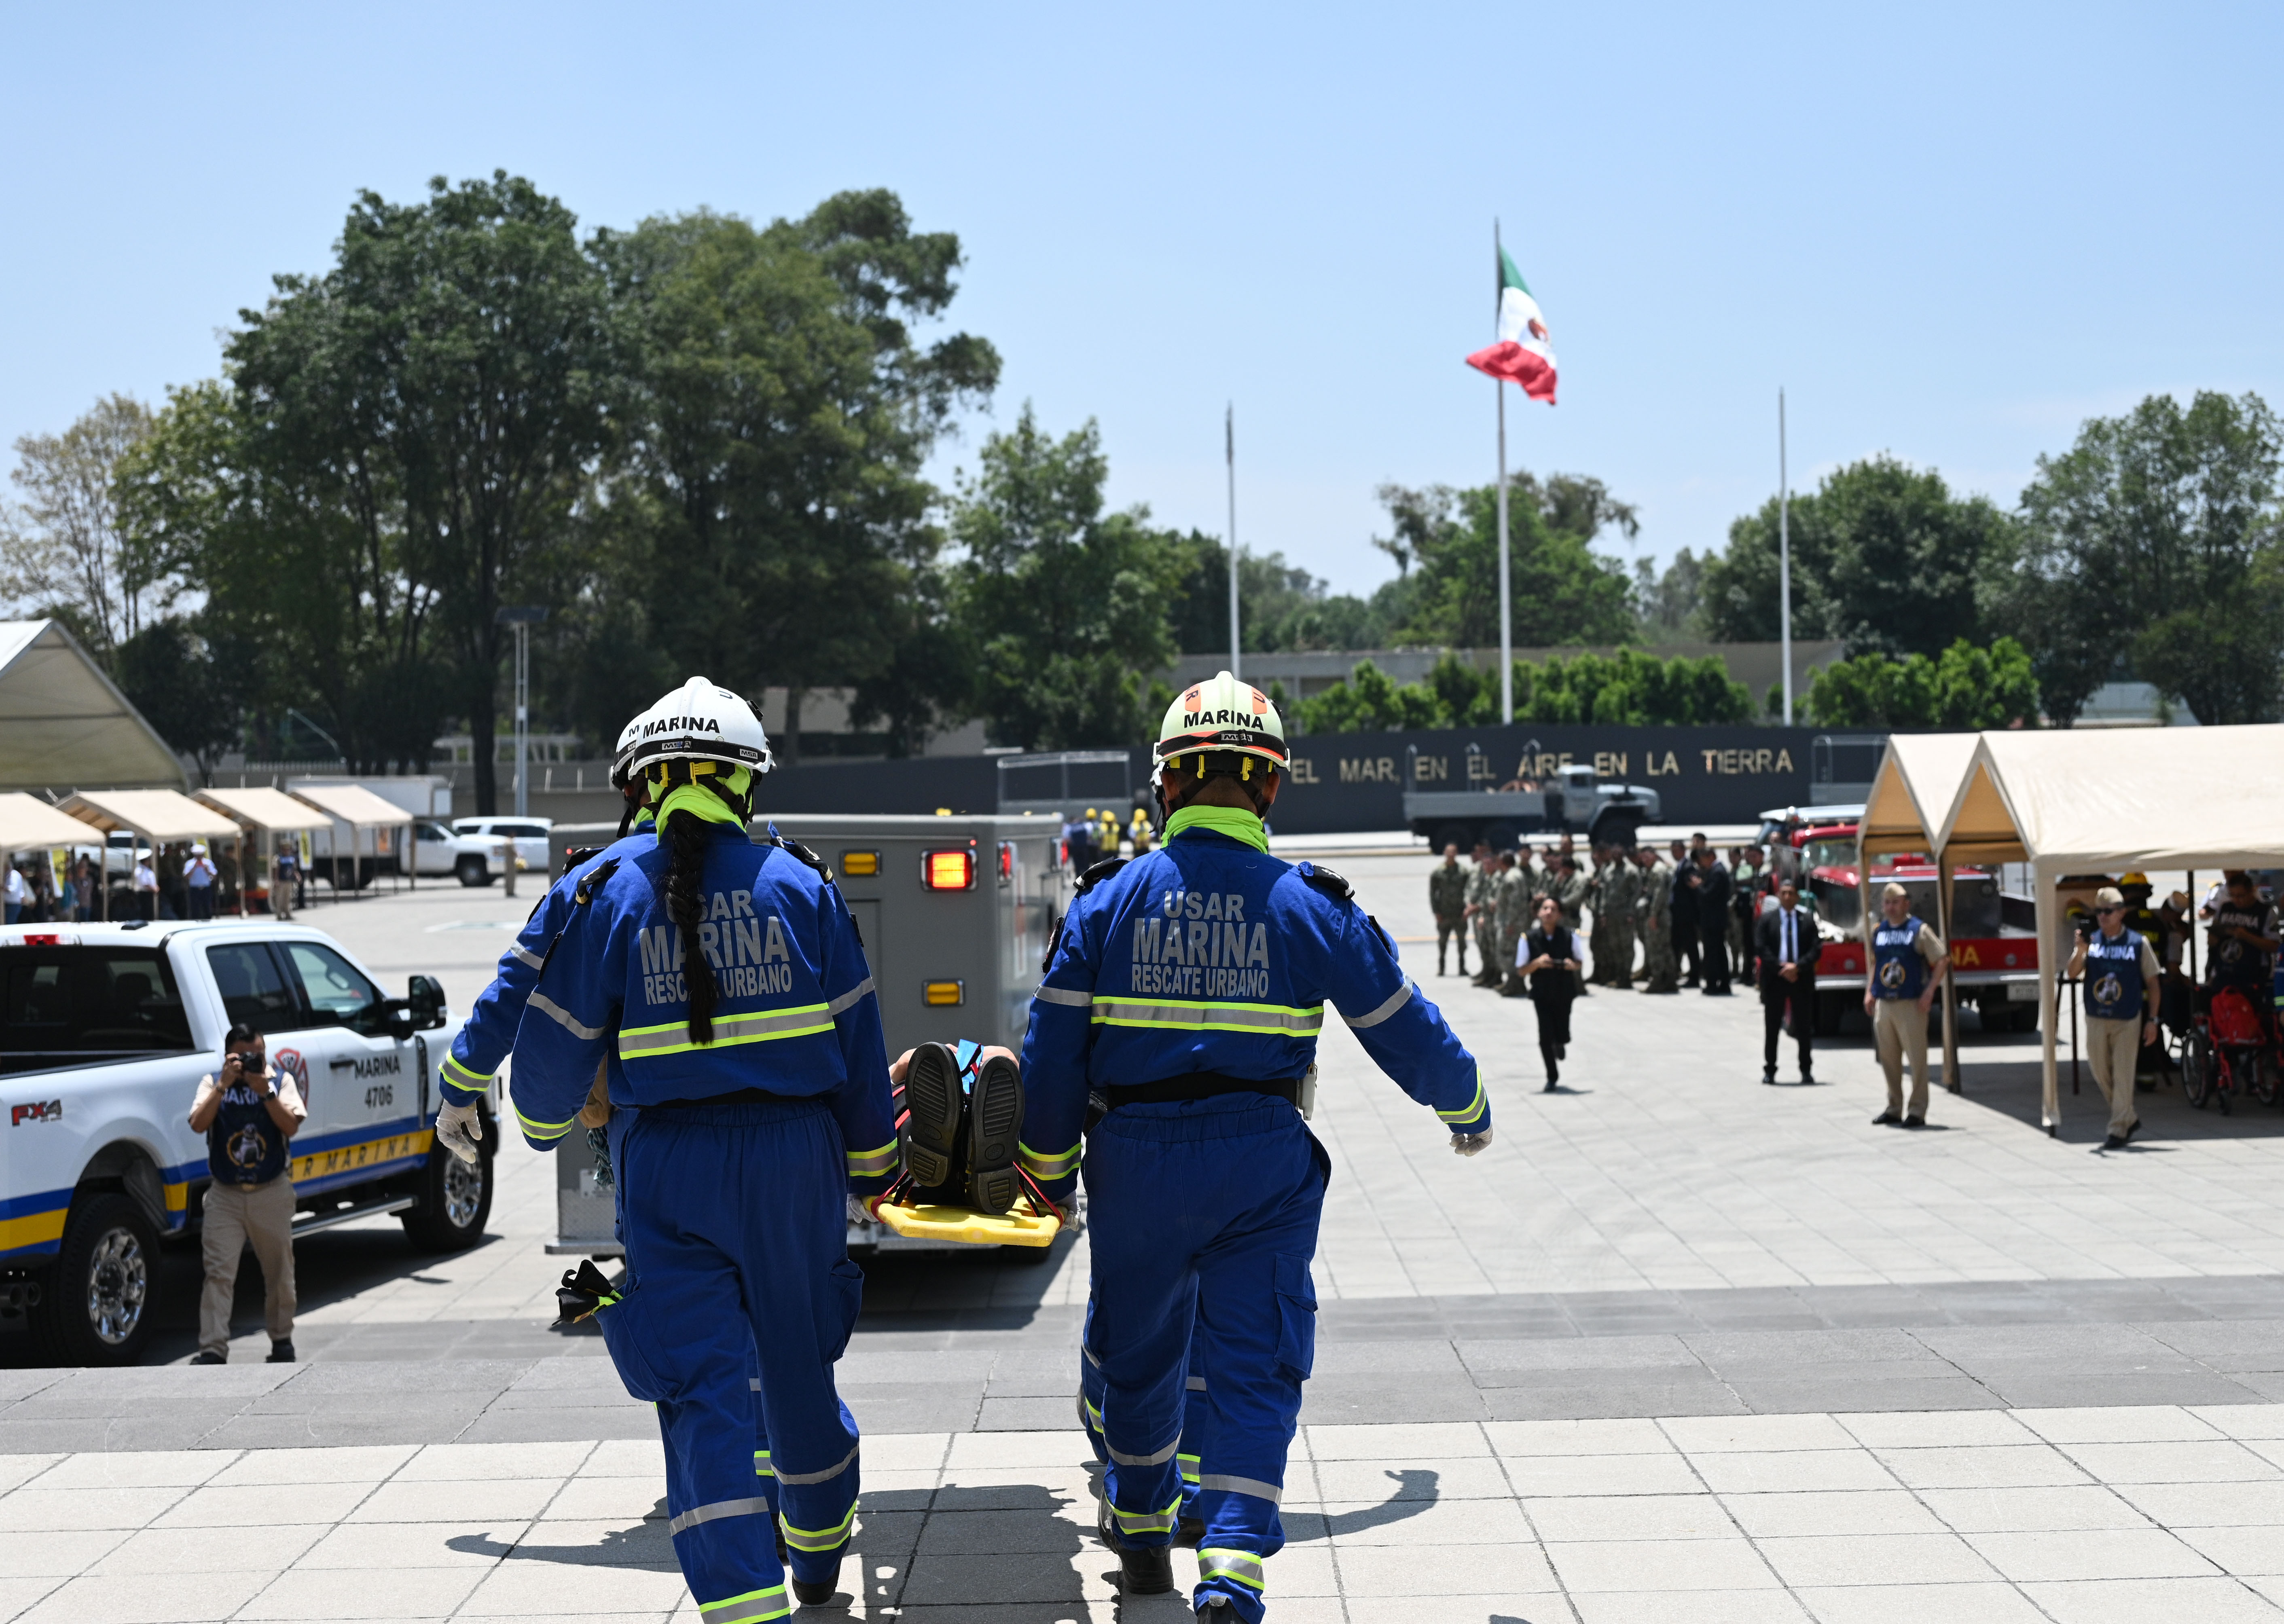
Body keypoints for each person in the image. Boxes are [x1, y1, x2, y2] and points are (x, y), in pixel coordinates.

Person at [1019, 669, 1488, 1618]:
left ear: (1166, 784)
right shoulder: (1305, 902)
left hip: (1133, 1156)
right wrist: (1464, 1105)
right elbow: (1401, 1021)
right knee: (1254, 1356)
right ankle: (1231, 1560)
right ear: (1269, 785)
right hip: (1259, 1161)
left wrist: (1043, 1164)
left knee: (1136, 1351)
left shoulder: (1106, 902)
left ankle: (1144, 1532)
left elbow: (1052, 1048)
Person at [490, 676, 899, 1617]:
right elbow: (857, 1044)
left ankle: (741, 1605)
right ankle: (821, 1544)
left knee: (703, 1388)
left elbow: (553, 1042)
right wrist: (875, 1166)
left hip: (669, 1171)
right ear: (745, 785)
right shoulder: (802, 888)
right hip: (794, 1163)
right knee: (799, 1369)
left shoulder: (609, 895)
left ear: (647, 784)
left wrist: (542, 1124)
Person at [187, 1023, 305, 1364]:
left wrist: (264, 1091)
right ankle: (212, 1348)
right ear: (229, 1056)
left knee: (280, 1272)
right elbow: (197, 1124)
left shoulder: (280, 1081)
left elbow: (291, 1126)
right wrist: (224, 1085)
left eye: (260, 1054)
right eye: (245, 1056)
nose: (255, 1061)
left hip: (271, 1191)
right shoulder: (213, 1082)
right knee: (218, 1273)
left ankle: (282, 1340)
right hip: (226, 1194)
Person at [2067, 886, 2160, 1149]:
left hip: (2127, 1018)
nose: (2102, 917)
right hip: (2096, 1017)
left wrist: (2152, 1020)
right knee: (2099, 1070)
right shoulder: (2092, 941)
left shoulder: (2137, 943)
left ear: (2121, 913)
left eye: (2108, 912)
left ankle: (2117, 1129)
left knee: (2123, 1074)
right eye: (2098, 912)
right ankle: (2127, 1116)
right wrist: (2080, 950)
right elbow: (2072, 973)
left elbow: (2153, 983)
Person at [1865, 881, 1948, 1127]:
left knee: (1917, 1060)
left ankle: (1917, 1110)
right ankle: (1894, 1107)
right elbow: (1875, 962)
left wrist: (1930, 992)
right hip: (1884, 1003)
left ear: (1906, 904)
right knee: (1889, 1059)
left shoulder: (1918, 929)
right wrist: (1869, 992)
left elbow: (1942, 959)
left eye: (1896, 903)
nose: (1891, 908)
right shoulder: (1879, 931)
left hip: (1911, 1003)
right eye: (1887, 903)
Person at [1756, 879, 1822, 1086]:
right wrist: (1781, 968)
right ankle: (1770, 1069)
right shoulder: (1767, 920)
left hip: (1800, 980)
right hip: (1776, 980)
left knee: (1803, 1028)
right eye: (1783, 893)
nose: (1787, 897)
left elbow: (1816, 948)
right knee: (1773, 1027)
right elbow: (1761, 947)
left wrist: (1798, 968)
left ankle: (1806, 1069)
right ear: (1778, 895)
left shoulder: (1808, 920)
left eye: (1791, 893)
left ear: (1797, 896)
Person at [1520, 895, 1583, 1091]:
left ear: (1560, 915)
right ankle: (1552, 1076)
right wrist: (1537, 964)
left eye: (1553, 909)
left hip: (1564, 992)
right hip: (1542, 993)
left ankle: (1561, 1042)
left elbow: (1579, 963)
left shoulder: (1570, 936)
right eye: (1545, 909)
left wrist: (1571, 966)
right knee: (1544, 1036)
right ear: (1539, 913)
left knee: (1562, 1032)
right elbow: (1521, 970)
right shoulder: (1528, 938)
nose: (1548, 912)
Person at [1636, 844, 1679, 994]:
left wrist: (1653, 915)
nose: (1645, 860)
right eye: (1643, 858)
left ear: (1655, 856)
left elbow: (1659, 896)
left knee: (1656, 949)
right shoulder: (1653, 870)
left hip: (1659, 915)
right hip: (1660, 914)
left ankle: (1658, 980)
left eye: (1647, 857)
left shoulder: (1658, 871)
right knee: (1665, 948)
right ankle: (1670, 981)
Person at [1694, 837, 1733, 996]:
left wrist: (1698, 886)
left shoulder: (1718, 873)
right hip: (1714, 920)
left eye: (1703, 860)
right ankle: (1723, 983)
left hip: (1714, 921)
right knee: (1718, 952)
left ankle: (1714, 984)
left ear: (1711, 857)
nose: (1702, 864)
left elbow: (1708, 895)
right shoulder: (1716, 871)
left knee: (1713, 953)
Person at [1428, 842, 1470, 977]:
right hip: (1445, 913)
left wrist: (1467, 909)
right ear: (1445, 853)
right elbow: (1433, 894)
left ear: (1457, 854)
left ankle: (1462, 967)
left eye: (1454, 852)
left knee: (1462, 942)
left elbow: (1469, 890)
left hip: (1459, 912)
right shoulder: (1438, 872)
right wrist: (1436, 912)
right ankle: (1442, 967)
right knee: (1443, 942)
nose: (1451, 854)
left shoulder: (1463, 872)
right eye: (1449, 852)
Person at [1465, 843, 1501, 988]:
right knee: (1483, 945)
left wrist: (1478, 908)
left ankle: (1495, 976)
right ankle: (1487, 972)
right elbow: (1469, 889)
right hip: (1479, 914)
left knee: (1493, 948)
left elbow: (1490, 899)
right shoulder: (1479, 873)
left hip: (1490, 917)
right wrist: (1469, 904)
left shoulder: (1496, 877)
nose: (1485, 866)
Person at [1670, 838, 1702, 987]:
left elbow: (1693, 891)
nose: (1674, 854)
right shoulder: (1680, 866)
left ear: (1683, 851)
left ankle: (1694, 976)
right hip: (1679, 915)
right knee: (1677, 945)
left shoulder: (1688, 867)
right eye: (1672, 851)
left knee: (1690, 946)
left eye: (1676, 851)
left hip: (1686, 915)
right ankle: (1675, 972)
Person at [185, 842, 219, 920]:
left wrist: (208, 870)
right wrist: (194, 868)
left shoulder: (208, 863)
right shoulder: (190, 864)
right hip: (194, 889)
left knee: (207, 907)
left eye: (201, 855)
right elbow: (186, 876)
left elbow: (215, 876)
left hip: (206, 888)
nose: (199, 857)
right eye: (197, 855)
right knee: (195, 909)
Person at [131, 849, 158, 920]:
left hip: (149, 894)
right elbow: (145, 884)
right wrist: (154, 889)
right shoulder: (141, 871)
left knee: (149, 913)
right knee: (146, 913)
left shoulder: (146, 870)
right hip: (145, 894)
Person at [2, 859, 23, 925]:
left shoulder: (13, 876)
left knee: (10, 924)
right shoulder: (10, 875)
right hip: (12, 905)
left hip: (13, 905)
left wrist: (3, 888)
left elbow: (13, 889)